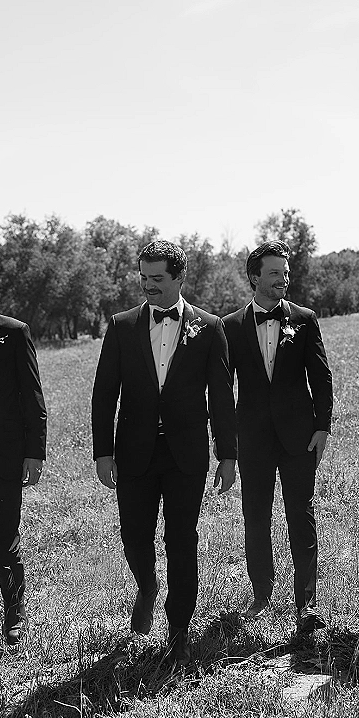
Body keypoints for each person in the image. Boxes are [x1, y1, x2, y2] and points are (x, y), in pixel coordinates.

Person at [91, 241, 237, 667]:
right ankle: (147, 584)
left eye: (157, 279)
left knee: (181, 540)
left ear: (179, 278)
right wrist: (103, 451)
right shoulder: (121, 326)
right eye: (143, 277)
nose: (148, 286)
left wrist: (227, 454)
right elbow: (104, 394)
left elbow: (222, 397)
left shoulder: (209, 328)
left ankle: (178, 630)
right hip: (133, 452)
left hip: (185, 455)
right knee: (134, 538)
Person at [223, 241, 333, 632]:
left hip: (299, 437)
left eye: (286, 273)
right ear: (254, 277)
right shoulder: (231, 326)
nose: (283, 279)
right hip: (252, 439)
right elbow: (223, 390)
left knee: (301, 515)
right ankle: (261, 595)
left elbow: (320, 375)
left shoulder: (304, 319)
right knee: (256, 516)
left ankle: (307, 601)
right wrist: (227, 446)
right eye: (274, 273)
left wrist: (323, 426)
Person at [0, 296, 47, 663]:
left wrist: (34, 451)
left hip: (2, 457)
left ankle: (15, 610)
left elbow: (31, 394)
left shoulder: (12, 332)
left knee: (4, 539)